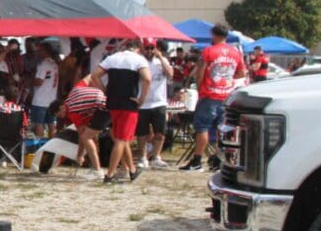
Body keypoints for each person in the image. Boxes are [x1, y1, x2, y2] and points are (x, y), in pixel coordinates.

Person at [180, 23, 246, 172]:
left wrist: (200, 86)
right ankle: (218, 160)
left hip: (210, 94)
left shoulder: (209, 51)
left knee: (202, 127)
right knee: (221, 129)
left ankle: (197, 160)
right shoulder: (235, 53)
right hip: (226, 95)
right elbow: (241, 73)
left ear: (214, 35)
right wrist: (228, 78)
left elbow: (200, 72)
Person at [94, 39, 151, 183]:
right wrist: (142, 98)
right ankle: (110, 174)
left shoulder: (112, 58)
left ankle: (131, 170)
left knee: (122, 137)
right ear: (137, 49)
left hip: (113, 102)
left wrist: (105, 90)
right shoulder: (138, 59)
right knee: (122, 139)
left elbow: (95, 75)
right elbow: (147, 79)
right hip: (129, 103)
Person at [58, 75, 109, 180]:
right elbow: (91, 76)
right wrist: (102, 89)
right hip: (109, 102)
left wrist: (79, 155)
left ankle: (97, 171)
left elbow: (82, 135)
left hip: (103, 108)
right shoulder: (74, 90)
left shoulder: (72, 111)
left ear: (61, 108)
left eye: (59, 115)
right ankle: (127, 170)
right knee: (118, 138)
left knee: (87, 138)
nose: (62, 117)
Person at [136, 38, 174, 170]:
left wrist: (162, 58)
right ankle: (143, 157)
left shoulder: (161, 62)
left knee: (160, 132)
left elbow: (170, 74)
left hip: (159, 102)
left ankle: (156, 157)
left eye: (152, 48)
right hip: (143, 103)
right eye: (147, 48)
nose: (149, 51)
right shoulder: (139, 62)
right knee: (142, 133)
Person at [29, 41, 59, 137]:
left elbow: (39, 81)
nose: (38, 53)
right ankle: (52, 148)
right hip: (51, 99)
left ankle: (39, 148)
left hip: (40, 100)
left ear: (44, 51)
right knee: (51, 124)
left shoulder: (43, 65)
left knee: (39, 124)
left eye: (40, 50)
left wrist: (28, 83)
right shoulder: (54, 64)